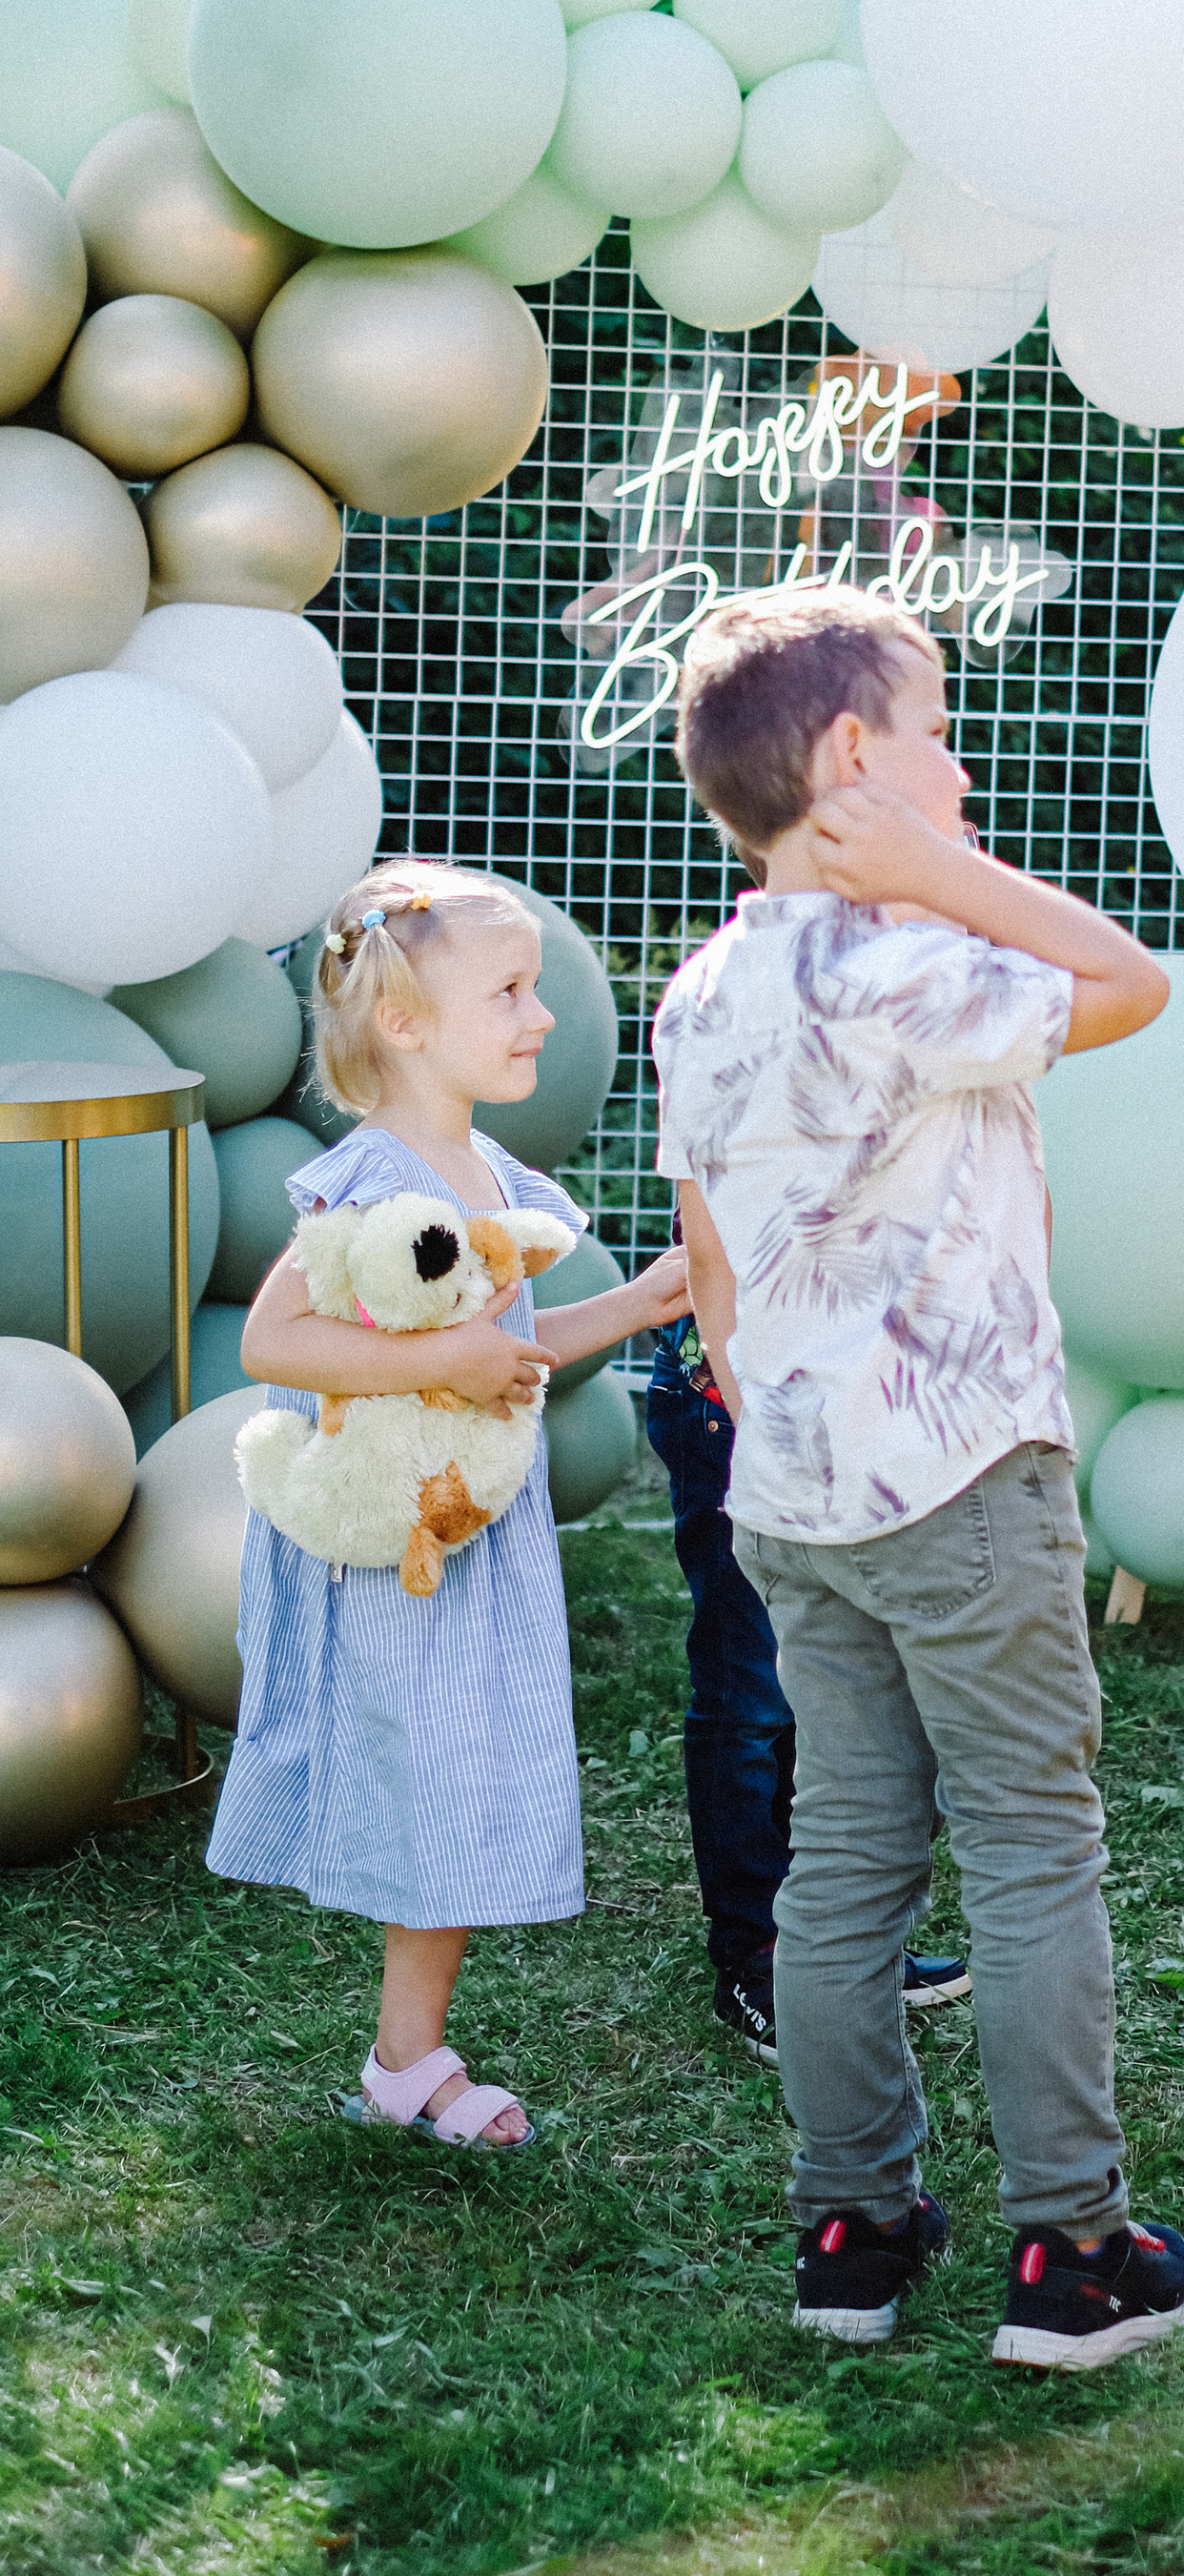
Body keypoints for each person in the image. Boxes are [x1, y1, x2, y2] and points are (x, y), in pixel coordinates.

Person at [654, 582, 1184, 2363]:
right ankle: (1074, 2252)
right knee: (1036, 1847)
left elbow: (708, 1244)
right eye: (941, 739)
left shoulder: (709, 979)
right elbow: (1133, 981)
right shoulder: (904, 957)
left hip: (797, 1493)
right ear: (851, 763)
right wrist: (927, 868)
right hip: (963, 1478)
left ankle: (854, 2229)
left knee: (845, 1862)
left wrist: (762, 1402)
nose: (962, 778)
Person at [208, 862, 688, 2143]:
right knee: (436, 1777)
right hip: (395, 1544)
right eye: (514, 991)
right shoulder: (374, 1181)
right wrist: (435, 1361)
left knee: (455, 1776)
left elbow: (511, 1344)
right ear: (408, 1023)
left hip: (467, 1534)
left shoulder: (481, 1167)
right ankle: (404, 2063)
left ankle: (406, 2055)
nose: (543, 1017)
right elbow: (276, 1342)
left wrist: (637, 1303)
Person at [641, 1244, 970, 2058]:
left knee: (826, 1681)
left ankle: (830, 1940)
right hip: (731, 1399)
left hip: (837, 1400)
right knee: (747, 1685)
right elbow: (722, 1243)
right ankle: (755, 1952)